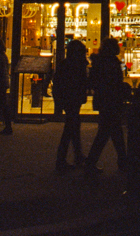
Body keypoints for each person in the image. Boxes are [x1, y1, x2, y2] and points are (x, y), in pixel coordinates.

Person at [84, 37, 128, 176]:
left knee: (110, 131)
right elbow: (115, 82)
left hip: (103, 100)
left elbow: (94, 82)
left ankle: (121, 161)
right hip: (111, 100)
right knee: (110, 132)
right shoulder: (112, 63)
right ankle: (120, 161)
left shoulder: (99, 62)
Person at [52, 40, 88, 173]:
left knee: (72, 127)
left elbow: (57, 82)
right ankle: (62, 160)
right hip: (72, 99)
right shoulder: (76, 65)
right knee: (70, 128)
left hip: (68, 99)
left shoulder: (65, 64)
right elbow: (80, 82)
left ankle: (76, 155)